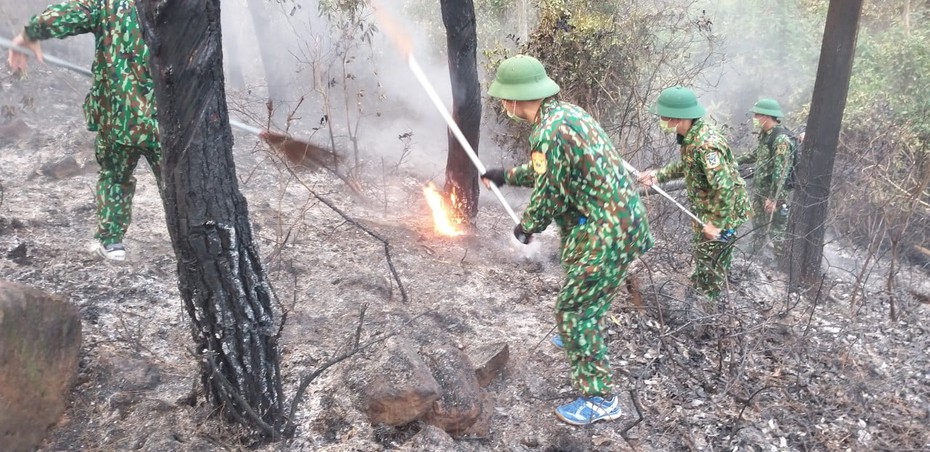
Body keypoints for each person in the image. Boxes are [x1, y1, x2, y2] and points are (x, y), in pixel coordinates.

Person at [481, 55, 654, 426]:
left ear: (515, 99)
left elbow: (551, 192)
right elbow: (552, 171)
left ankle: (601, 399)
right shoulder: (567, 115)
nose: (503, 106)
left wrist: (528, 225)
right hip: (622, 223)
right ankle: (579, 336)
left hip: (602, 231)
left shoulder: (548, 131)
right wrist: (506, 175)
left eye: (503, 99)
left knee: (572, 310)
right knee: (584, 296)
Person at [7, 0, 160, 262]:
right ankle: (196, 246)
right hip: (164, 124)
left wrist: (30, 31)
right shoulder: (179, 8)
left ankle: (112, 244)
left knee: (115, 177)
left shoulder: (111, 3)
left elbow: (68, 14)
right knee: (177, 184)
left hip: (119, 119)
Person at [637, 86, 750, 301]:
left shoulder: (707, 145)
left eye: (664, 116)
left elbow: (723, 186)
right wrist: (657, 176)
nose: (662, 120)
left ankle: (709, 312)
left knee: (712, 266)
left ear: (678, 118)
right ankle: (701, 295)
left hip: (723, 211)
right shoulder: (692, 136)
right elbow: (689, 166)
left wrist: (716, 222)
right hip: (709, 209)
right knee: (704, 256)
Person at [737, 98, 793, 258]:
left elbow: (780, 171)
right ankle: (754, 257)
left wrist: (773, 198)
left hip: (774, 194)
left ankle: (781, 263)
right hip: (761, 191)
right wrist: (734, 160)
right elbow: (756, 155)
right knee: (758, 225)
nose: (754, 119)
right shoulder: (765, 135)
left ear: (766, 116)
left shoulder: (781, 139)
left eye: (756, 115)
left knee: (777, 230)